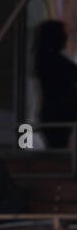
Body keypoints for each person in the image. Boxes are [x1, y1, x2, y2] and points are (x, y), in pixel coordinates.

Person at [33, 20, 77, 150]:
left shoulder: (45, 59)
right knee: (58, 149)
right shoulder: (52, 62)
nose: (66, 37)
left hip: (54, 115)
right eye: (63, 34)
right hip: (57, 115)